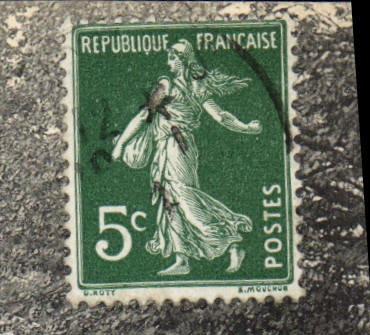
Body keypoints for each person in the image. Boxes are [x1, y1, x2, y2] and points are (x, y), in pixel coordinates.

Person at [110, 39, 263, 276]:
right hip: (173, 146)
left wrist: (120, 145)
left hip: (177, 145)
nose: (168, 62)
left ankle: (232, 241)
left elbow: (144, 115)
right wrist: (246, 127)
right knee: (169, 201)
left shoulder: (167, 83)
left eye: (172, 58)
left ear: (183, 61)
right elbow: (221, 116)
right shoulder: (198, 88)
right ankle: (181, 259)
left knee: (183, 196)